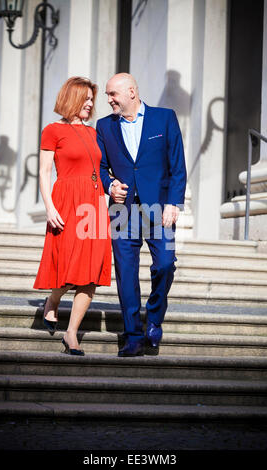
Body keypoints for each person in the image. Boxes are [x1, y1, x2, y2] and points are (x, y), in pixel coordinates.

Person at [96, 73, 186, 357]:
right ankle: (133, 335)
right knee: (126, 274)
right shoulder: (104, 126)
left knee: (165, 265)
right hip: (123, 213)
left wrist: (174, 203)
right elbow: (98, 167)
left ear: (131, 91)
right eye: (108, 95)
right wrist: (111, 186)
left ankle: (154, 319)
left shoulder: (165, 118)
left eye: (112, 94)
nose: (108, 99)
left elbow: (177, 165)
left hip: (159, 208)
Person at [33, 77, 111, 356]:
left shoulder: (95, 133)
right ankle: (52, 301)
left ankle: (72, 334)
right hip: (66, 201)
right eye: (85, 99)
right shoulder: (53, 130)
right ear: (71, 99)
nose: (90, 104)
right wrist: (49, 207)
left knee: (90, 274)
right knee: (66, 269)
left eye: (92, 100)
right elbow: (43, 172)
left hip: (93, 205)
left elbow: (102, 170)